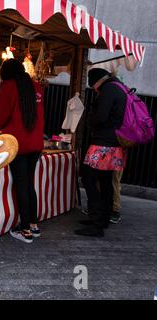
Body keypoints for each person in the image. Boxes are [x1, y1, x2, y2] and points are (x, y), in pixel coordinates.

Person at [0, 59, 45, 244]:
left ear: (6, 72)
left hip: (17, 144)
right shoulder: (36, 87)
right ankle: (34, 225)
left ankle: (25, 229)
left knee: (21, 184)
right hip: (35, 143)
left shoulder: (9, 87)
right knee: (29, 183)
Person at [75, 68, 127, 237]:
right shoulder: (118, 87)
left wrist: (91, 119)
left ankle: (96, 224)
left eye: (94, 85)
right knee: (105, 182)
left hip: (103, 143)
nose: (95, 88)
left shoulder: (108, 89)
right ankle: (102, 219)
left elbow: (101, 116)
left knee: (89, 179)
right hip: (114, 143)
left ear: (97, 81)